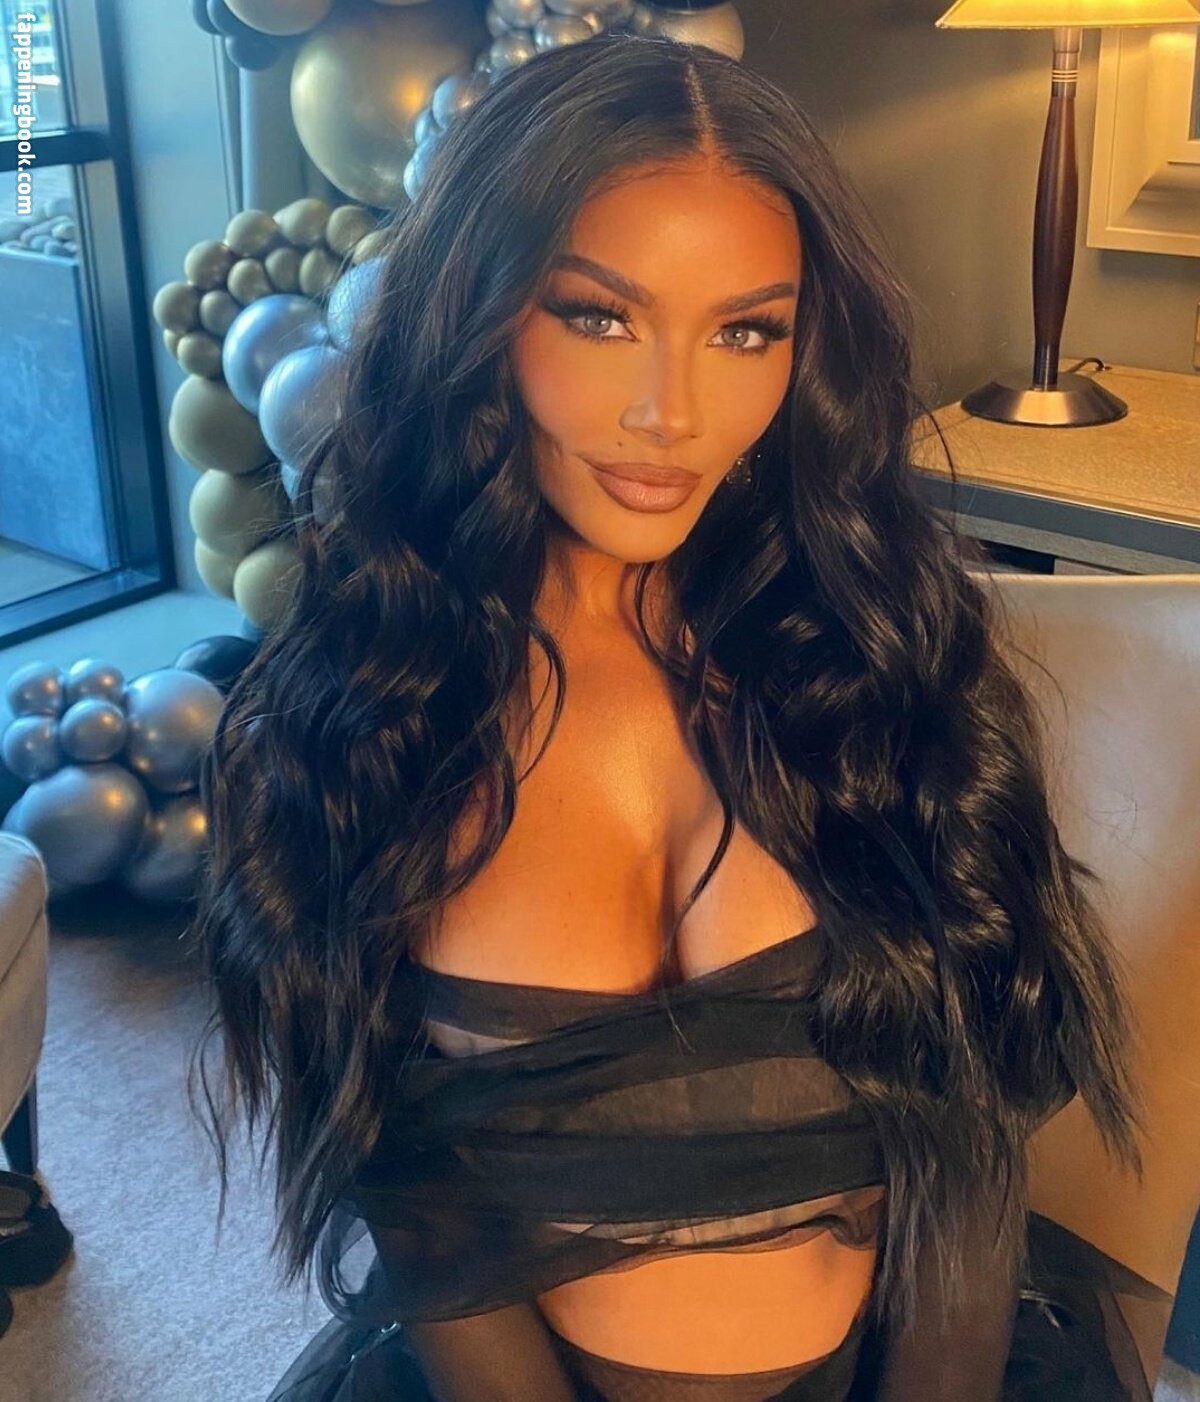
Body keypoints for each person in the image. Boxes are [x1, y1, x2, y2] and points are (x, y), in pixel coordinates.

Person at [186, 31, 1173, 1402]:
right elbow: (411, 1194)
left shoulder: (878, 665)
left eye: (746, 330)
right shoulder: (365, 718)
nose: (672, 413)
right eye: (599, 316)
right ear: (481, 311)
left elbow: (971, 1141)